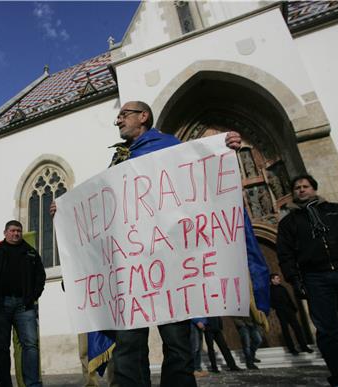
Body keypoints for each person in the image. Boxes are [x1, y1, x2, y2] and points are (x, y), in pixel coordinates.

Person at [109, 101, 243, 387]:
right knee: (127, 345)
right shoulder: (119, 158)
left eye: (123, 115)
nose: (117, 121)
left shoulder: (169, 146)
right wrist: (68, 212)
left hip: (170, 262)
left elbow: (199, 173)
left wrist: (225, 148)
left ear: (143, 117)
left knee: (177, 344)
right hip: (134, 264)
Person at [277, 174, 338, 387]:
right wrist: (295, 280)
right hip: (315, 277)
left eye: (305, 186)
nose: (301, 190)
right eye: (297, 187)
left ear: (314, 189)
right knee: (327, 329)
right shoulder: (289, 222)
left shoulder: (337, 210)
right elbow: (285, 254)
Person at [0, 220, 46, 387]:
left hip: (24, 306)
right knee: (1, 348)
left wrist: (33, 296)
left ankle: (33, 384)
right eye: (12, 231)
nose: (16, 234)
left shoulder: (31, 252)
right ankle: (4, 384)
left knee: (31, 345)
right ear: (5, 232)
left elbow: (40, 277)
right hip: (0, 305)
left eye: (18, 231)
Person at [269, 273, 313, 355]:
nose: (279, 279)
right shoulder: (270, 290)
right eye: (277, 278)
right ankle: (292, 349)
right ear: (272, 280)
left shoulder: (282, 287)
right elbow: (270, 302)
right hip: (281, 311)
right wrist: (276, 307)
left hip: (289, 310)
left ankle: (304, 347)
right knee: (286, 331)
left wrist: (293, 308)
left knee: (297, 328)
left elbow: (289, 298)